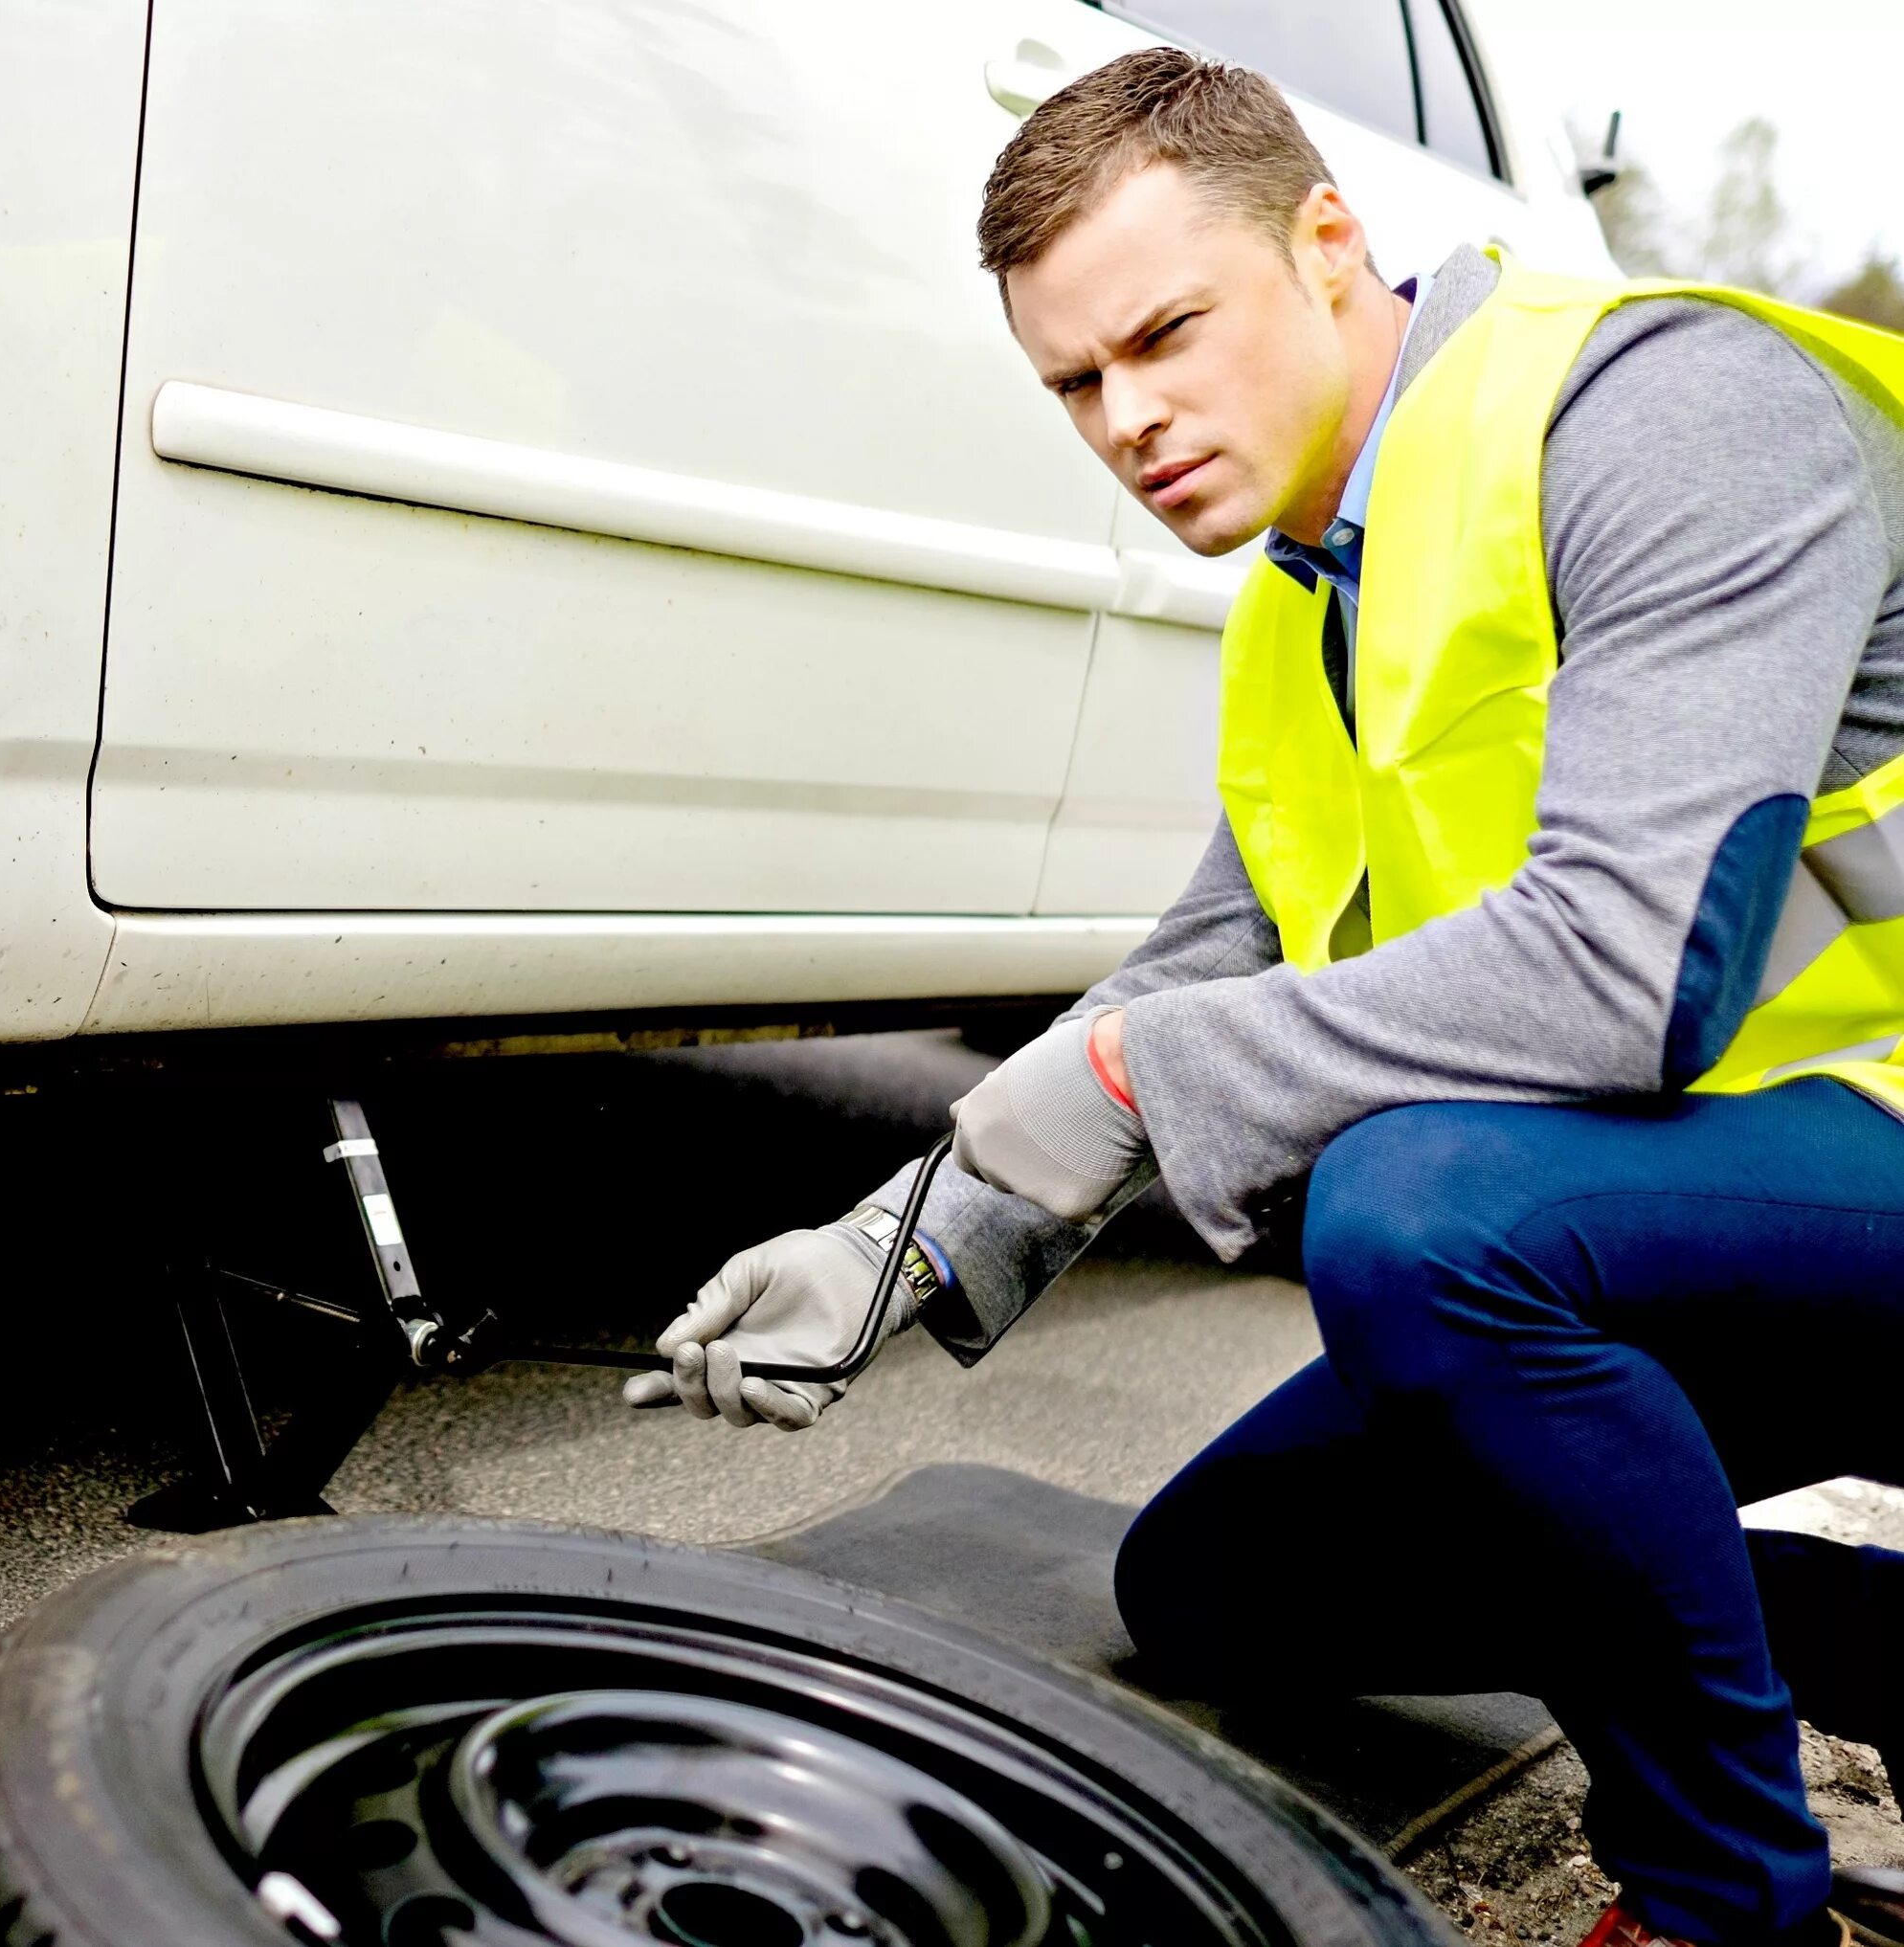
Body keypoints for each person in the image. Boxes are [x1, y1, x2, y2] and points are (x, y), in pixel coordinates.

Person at [621, 44, 1904, 1947]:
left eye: (1165, 335)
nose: (1129, 419)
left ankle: (1725, 1903)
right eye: (1077, 383)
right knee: (1229, 1583)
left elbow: (1634, 968)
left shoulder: (1673, 408)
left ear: (1323, 244)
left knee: (1418, 1220)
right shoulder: (1324, 593)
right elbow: (1217, 957)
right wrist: (889, 1250)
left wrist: (1142, 1080)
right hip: (1713, 1209)